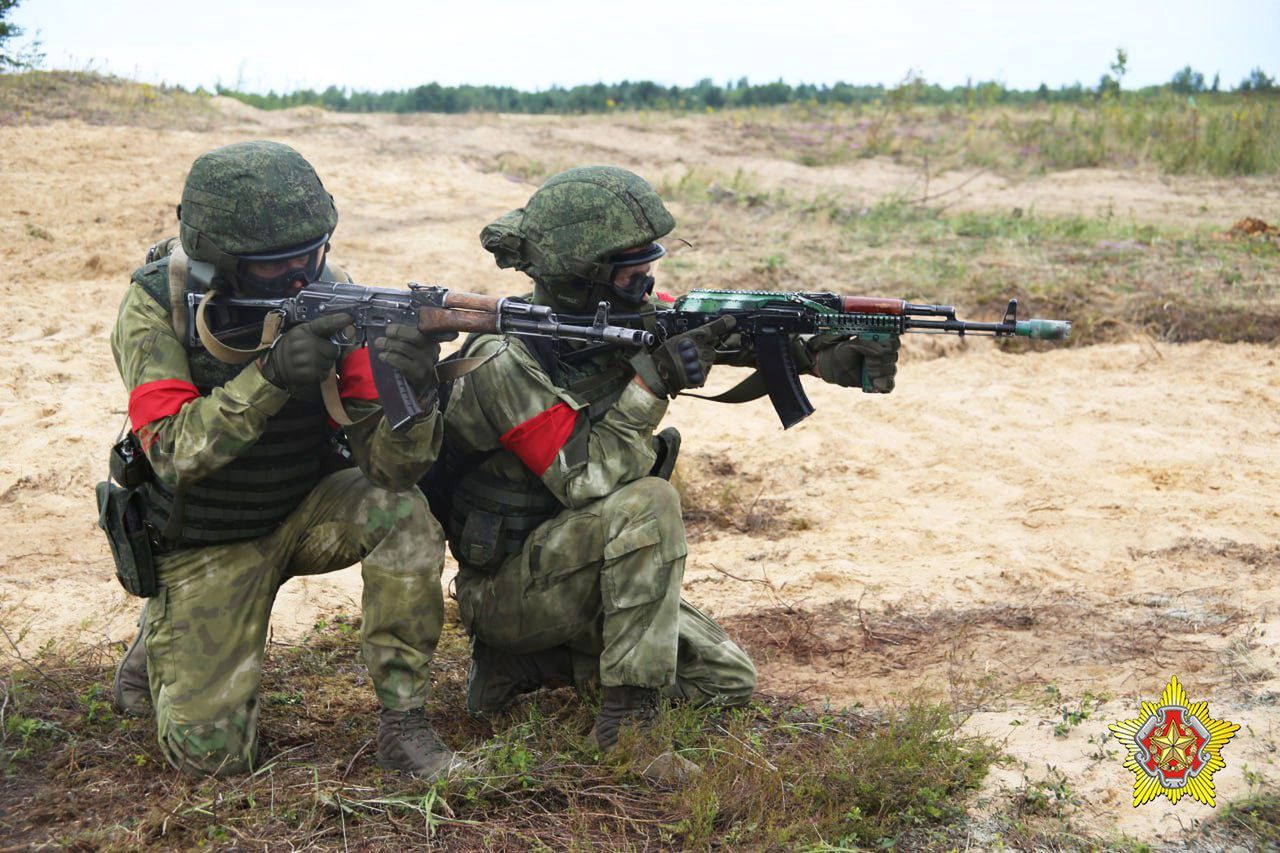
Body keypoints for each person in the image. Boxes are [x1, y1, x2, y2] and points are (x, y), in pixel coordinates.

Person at [435, 166, 898, 773]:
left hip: (582, 574)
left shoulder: (625, 318)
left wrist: (819, 354)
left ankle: (528, 666)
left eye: (648, 264)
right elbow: (586, 481)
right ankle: (628, 733)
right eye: (631, 272)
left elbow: (720, 335)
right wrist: (651, 385)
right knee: (649, 501)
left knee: (725, 680)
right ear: (582, 280)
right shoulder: (504, 361)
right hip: (508, 593)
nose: (646, 281)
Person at [109, 140, 464, 780]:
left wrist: (416, 391)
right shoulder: (155, 307)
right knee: (212, 764)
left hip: (307, 508)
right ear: (222, 262)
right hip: (206, 539)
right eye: (277, 266)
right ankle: (157, 640)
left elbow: (390, 471)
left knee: (405, 514)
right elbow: (175, 456)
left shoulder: (336, 298)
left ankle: (405, 727)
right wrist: (270, 377)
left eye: (313, 254)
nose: (303, 274)